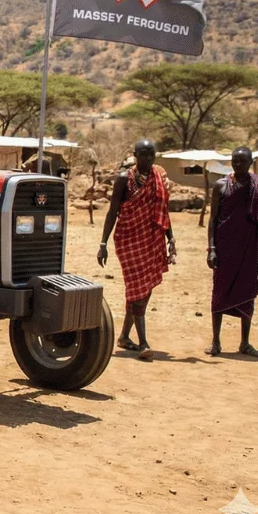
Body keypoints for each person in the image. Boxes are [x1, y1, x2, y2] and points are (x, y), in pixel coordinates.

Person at [97, 139, 175, 360]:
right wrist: (103, 244)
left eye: (151, 155)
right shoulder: (124, 180)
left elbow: (163, 211)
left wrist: (171, 239)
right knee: (137, 289)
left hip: (152, 239)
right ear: (135, 155)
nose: (148, 159)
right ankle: (143, 343)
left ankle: (124, 336)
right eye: (143, 154)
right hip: (129, 240)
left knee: (144, 290)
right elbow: (112, 212)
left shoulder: (158, 177)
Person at [205, 147, 258, 357]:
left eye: (243, 162)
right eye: (235, 161)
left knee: (248, 293)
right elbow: (213, 219)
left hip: (250, 249)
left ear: (251, 162)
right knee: (219, 293)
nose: (238, 165)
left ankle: (245, 342)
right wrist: (212, 249)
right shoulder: (221, 186)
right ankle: (215, 341)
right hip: (225, 249)